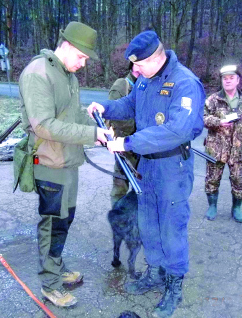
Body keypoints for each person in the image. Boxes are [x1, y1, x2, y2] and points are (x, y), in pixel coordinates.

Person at [88, 31, 205, 318]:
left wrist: (126, 143)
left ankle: (174, 287)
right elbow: (130, 105)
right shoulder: (146, 79)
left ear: (156, 58)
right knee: (148, 224)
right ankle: (154, 274)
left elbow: (177, 130)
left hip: (172, 168)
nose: (134, 71)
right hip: (147, 167)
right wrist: (106, 107)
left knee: (171, 229)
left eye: (139, 65)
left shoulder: (185, 83)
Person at [18, 21, 110, 307]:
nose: (83, 63)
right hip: (49, 162)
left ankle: (56, 267)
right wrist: (92, 134)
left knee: (64, 220)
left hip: (68, 161)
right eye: (82, 56)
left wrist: (95, 123)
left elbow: (70, 116)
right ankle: (50, 284)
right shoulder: (38, 72)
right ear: (68, 46)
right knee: (52, 224)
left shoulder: (66, 73)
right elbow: (44, 125)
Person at [203, 65, 242, 223]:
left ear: (238, 80)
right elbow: (203, 118)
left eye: (231, 78)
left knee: (239, 180)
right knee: (212, 179)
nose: (227, 81)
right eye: (224, 78)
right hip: (216, 148)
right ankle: (212, 206)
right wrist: (219, 122)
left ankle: (236, 208)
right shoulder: (213, 99)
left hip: (238, 150)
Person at [107, 62, 141, 207]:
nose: (140, 68)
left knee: (141, 189)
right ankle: (118, 220)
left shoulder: (146, 85)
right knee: (120, 188)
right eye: (137, 64)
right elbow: (109, 115)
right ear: (131, 65)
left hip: (142, 147)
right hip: (124, 148)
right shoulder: (122, 84)